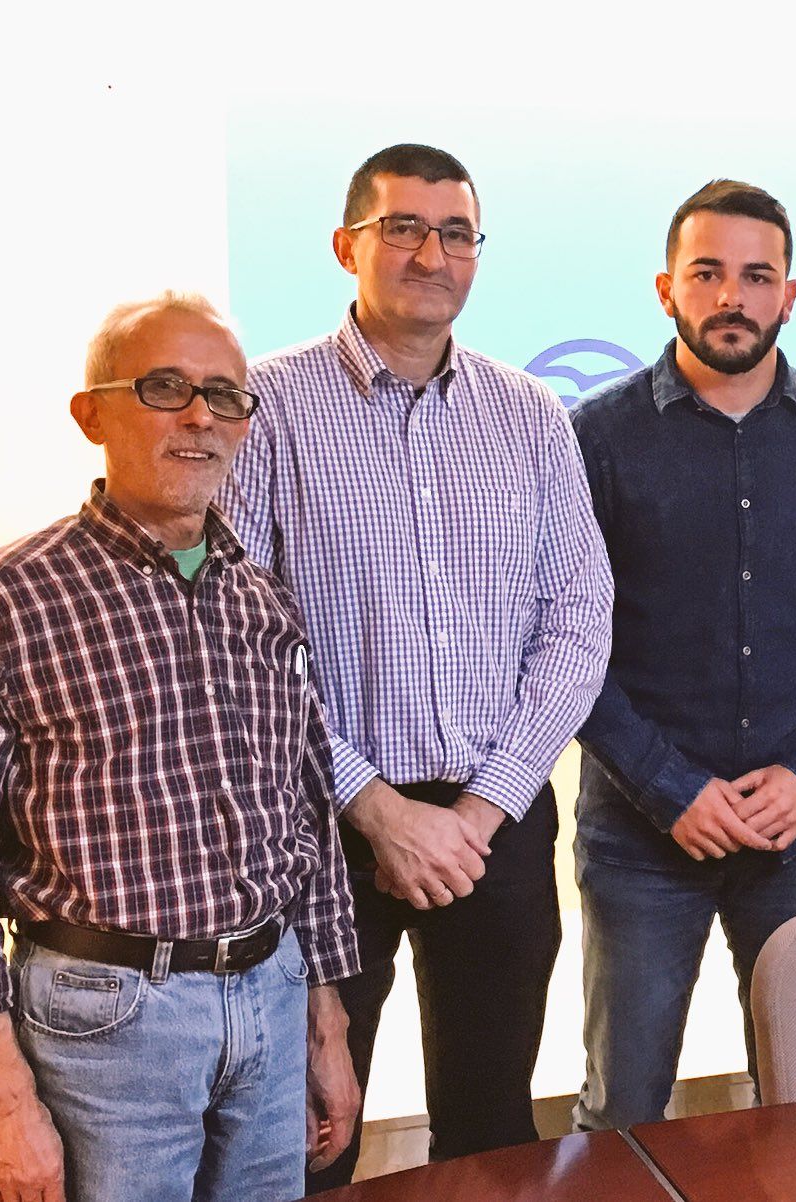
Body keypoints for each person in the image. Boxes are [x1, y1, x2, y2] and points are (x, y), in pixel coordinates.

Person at [0, 292, 361, 1202]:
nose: (198, 416)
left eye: (224, 395)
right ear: (90, 412)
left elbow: (309, 819)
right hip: (109, 1022)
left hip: (271, 992)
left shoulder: (262, 602)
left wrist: (326, 1024)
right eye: (165, 387)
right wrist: (3, 1097)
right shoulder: (1, 604)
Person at [217, 144, 614, 1187]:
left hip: (498, 826)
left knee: (489, 1122)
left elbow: (579, 620)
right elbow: (240, 641)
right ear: (347, 245)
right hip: (324, 826)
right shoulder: (266, 410)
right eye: (403, 228)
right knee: (311, 1126)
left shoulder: (529, 412)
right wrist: (378, 809)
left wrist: (481, 809)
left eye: (454, 232)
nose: (429, 253)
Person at [568, 180, 796, 1129]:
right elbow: (567, 647)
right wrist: (670, 787)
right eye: (708, 273)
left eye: (757, 277)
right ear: (666, 286)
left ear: (789, 295)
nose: (732, 297)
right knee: (623, 1106)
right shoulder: (596, 439)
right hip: (640, 841)